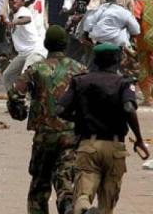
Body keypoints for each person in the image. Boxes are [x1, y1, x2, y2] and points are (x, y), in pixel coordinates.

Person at [57, 43, 150, 214]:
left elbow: (60, 110)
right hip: (115, 147)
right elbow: (129, 109)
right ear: (117, 60)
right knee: (107, 204)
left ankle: (84, 209)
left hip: (88, 145)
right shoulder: (123, 83)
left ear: (95, 60)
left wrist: (80, 119)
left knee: (82, 194)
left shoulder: (80, 81)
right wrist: (139, 139)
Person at [8, 25, 87, 214]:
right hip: (71, 134)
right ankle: (67, 205)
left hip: (44, 135)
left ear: (45, 44)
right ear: (65, 44)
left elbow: (15, 93)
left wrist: (19, 113)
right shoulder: (80, 70)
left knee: (39, 184)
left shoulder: (35, 69)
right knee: (66, 179)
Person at [2, 0, 47, 90]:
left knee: (25, 78)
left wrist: (15, 22)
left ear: (22, 2)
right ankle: (14, 100)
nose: (14, 1)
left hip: (36, 51)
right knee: (7, 76)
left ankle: (28, 101)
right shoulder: (12, 14)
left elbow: (26, 19)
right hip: (23, 54)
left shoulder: (23, 11)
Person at [133, 0, 153, 106]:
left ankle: (147, 99)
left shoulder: (140, 1)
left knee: (145, 69)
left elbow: (135, 17)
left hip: (144, 41)